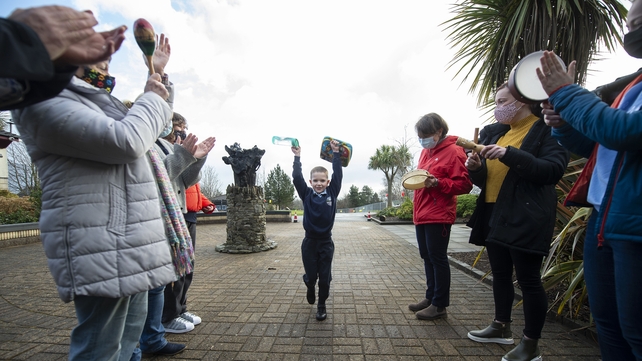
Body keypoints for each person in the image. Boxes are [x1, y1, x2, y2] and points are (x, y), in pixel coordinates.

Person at [10, 33, 178, 360]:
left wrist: (155, 78)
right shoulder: (44, 103)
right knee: (100, 349)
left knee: (129, 344)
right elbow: (127, 140)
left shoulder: (91, 100)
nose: (105, 61)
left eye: (106, 57)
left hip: (128, 240)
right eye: (94, 54)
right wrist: (153, 98)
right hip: (101, 243)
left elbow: (151, 130)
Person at [535, 2, 642, 357]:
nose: (631, 18)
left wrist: (567, 93)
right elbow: (600, 145)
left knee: (637, 333)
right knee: (610, 328)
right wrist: (564, 122)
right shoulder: (634, 86)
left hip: (634, 229)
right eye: (631, 14)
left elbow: (623, 132)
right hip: (605, 223)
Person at [464, 83, 569, 361]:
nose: (498, 107)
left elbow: (552, 170)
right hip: (494, 213)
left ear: (522, 100)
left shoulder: (545, 129)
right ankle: (501, 326)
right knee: (500, 273)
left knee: (528, 280)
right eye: (496, 102)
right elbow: (488, 178)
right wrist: (476, 170)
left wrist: (509, 154)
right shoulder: (498, 133)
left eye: (502, 101)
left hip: (525, 215)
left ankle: (530, 344)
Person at [407, 113, 472, 320]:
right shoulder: (426, 152)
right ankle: (430, 297)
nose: (422, 139)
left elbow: (464, 185)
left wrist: (439, 184)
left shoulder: (454, 151)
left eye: (426, 135)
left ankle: (440, 304)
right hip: (422, 212)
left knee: (438, 258)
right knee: (427, 257)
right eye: (420, 135)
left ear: (439, 132)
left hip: (439, 214)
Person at [1, 5, 125, 109]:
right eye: (102, 68)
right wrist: (15, 39)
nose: (108, 76)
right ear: (79, 69)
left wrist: (60, 65)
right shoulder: (61, 103)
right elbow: (126, 137)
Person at [158, 112, 215, 332]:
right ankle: (168, 315)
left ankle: (180, 308)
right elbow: (162, 177)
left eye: (183, 127)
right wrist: (185, 155)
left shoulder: (172, 147)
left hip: (186, 214)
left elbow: (188, 180)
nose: (180, 131)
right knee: (173, 270)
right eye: (176, 127)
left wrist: (198, 157)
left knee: (185, 266)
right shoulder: (154, 147)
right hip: (168, 215)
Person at [291, 140, 342, 321]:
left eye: (322, 180)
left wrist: (336, 154)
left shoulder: (332, 193)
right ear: (310, 181)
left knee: (325, 278)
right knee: (312, 275)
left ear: (327, 182)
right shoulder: (307, 194)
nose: (319, 183)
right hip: (309, 243)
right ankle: (310, 284)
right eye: (315, 180)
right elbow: (297, 177)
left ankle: (321, 305)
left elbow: (338, 174)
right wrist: (297, 157)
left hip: (326, 243)